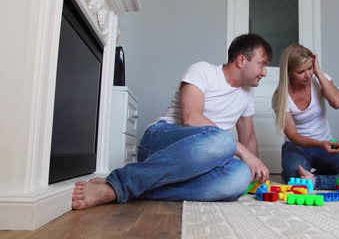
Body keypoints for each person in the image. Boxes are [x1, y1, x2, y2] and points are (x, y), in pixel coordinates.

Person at [72, 33, 273, 210]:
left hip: (203, 159)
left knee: (239, 177)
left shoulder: (247, 95)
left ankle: (134, 187)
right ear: (241, 60)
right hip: (161, 142)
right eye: (262, 64)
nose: (264, 72)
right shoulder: (202, 70)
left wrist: (256, 172)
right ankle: (119, 185)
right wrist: (239, 149)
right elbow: (191, 118)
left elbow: (249, 138)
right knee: (224, 141)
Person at [272, 43, 339, 183]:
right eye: (301, 72)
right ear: (289, 73)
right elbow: (294, 136)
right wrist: (320, 143)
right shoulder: (280, 97)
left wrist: (318, 72)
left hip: (325, 141)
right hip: (297, 146)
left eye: (310, 68)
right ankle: (300, 172)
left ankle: (317, 176)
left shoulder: (318, 79)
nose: (308, 75)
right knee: (294, 179)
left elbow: (338, 103)